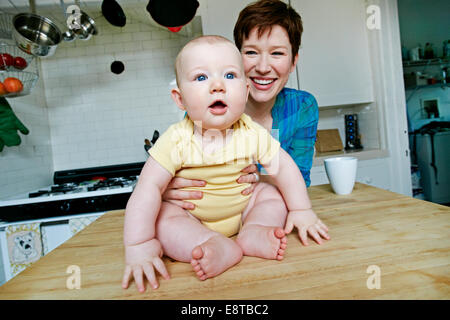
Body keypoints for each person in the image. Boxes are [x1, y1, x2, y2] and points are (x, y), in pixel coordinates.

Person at [122, 36, 329, 292]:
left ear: (245, 90)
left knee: (270, 194)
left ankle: (254, 230)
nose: (218, 86)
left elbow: (285, 169)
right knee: (163, 217)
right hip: (192, 217)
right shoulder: (175, 139)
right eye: (201, 78)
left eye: (230, 76)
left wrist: (301, 210)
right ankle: (212, 243)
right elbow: (147, 189)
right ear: (180, 98)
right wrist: (139, 244)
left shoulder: (250, 132)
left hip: (243, 209)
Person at [161, 0, 320, 235]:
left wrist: (255, 180)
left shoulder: (303, 107)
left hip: (266, 223)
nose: (263, 67)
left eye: (277, 53)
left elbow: (299, 180)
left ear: (293, 61)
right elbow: (176, 172)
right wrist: (166, 188)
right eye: (251, 52)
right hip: (204, 226)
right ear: (236, 58)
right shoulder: (209, 111)